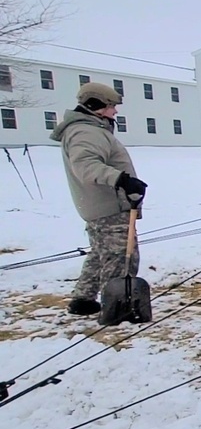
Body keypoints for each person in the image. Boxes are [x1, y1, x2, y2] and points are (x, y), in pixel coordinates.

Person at [49, 82, 148, 316]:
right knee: (120, 254)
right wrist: (122, 180)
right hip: (109, 206)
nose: (115, 111)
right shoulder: (86, 132)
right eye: (111, 106)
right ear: (95, 105)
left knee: (100, 252)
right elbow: (86, 166)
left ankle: (83, 298)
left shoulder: (88, 129)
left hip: (101, 206)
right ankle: (116, 307)